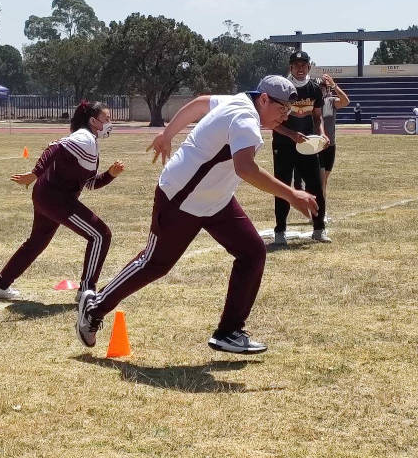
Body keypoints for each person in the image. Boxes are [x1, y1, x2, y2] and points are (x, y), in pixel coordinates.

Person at [75, 76, 317, 354]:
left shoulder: (238, 100)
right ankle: (94, 307)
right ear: (263, 99)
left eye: (289, 111)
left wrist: (167, 135)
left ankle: (229, 332)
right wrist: (292, 194)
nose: (285, 116)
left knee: (252, 253)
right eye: (282, 109)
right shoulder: (245, 119)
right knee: (154, 263)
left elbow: (200, 104)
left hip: (215, 201)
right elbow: (246, 169)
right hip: (181, 197)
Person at [0, 101, 124, 300]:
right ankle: (87, 290)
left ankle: (0, 285)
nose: (110, 123)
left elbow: (90, 184)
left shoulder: (90, 141)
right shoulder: (84, 137)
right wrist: (35, 173)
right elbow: (54, 147)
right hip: (55, 198)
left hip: (46, 195)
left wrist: (110, 174)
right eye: (107, 119)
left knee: (36, 242)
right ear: (93, 121)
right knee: (101, 235)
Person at [271, 51, 329, 245]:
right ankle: (280, 232)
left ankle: (319, 229)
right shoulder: (281, 89)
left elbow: (317, 116)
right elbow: (271, 121)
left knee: (316, 187)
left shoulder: (314, 89)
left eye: (303, 65)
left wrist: (321, 133)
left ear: (309, 67)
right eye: (296, 65)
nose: (300, 68)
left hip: (307, 146)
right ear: (290, 68)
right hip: (283, 145)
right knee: (282, 187)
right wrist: (291, 135)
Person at [318, 73, 350, 202]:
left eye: (324, 87)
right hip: (317, 145)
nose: (321, 89)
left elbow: (346, 101)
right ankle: (319, 212)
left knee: (325, 179)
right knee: (320, 180)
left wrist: (334, 85)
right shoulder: (313, 102)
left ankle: (320, 210)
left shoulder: (331, 101)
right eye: (319, 87)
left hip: (330, 145)